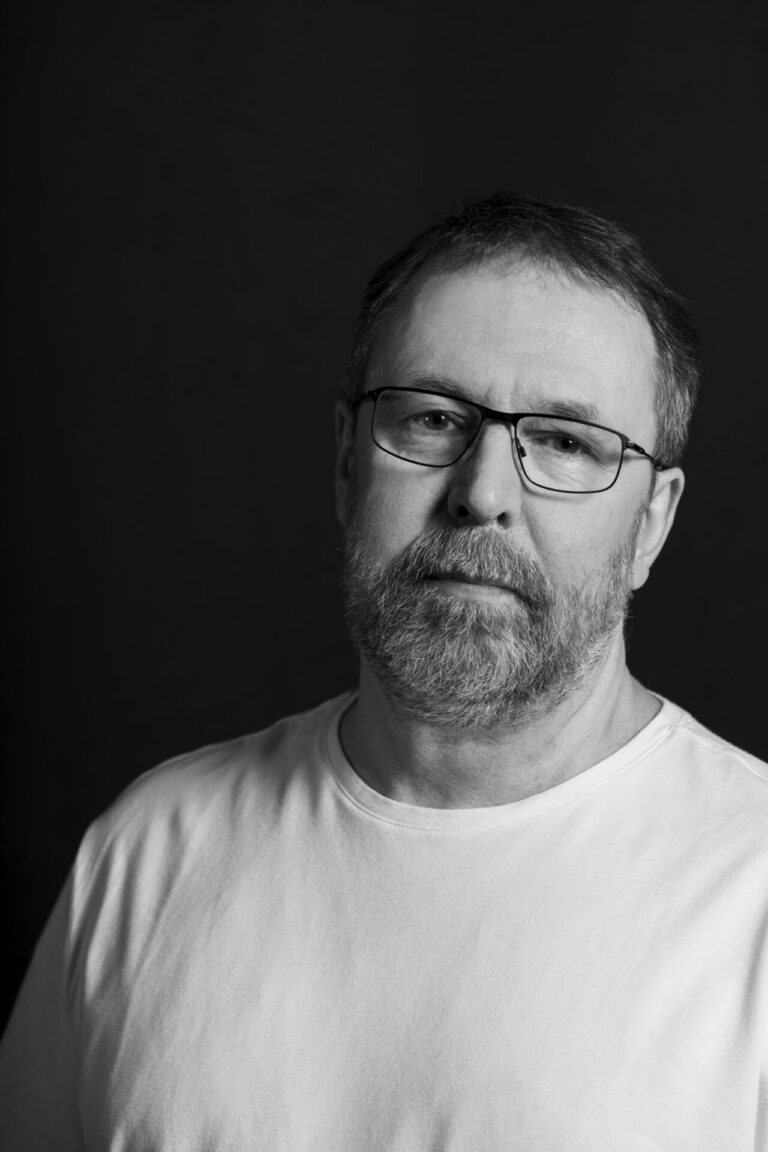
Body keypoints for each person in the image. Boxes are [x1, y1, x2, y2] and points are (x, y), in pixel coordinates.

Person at [1, 192, 766, 1151]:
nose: (483, 493)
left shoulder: (750, 895)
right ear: (344, 464)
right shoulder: (146, 855)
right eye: (433, 419)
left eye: (567, 443)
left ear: (651, 522)